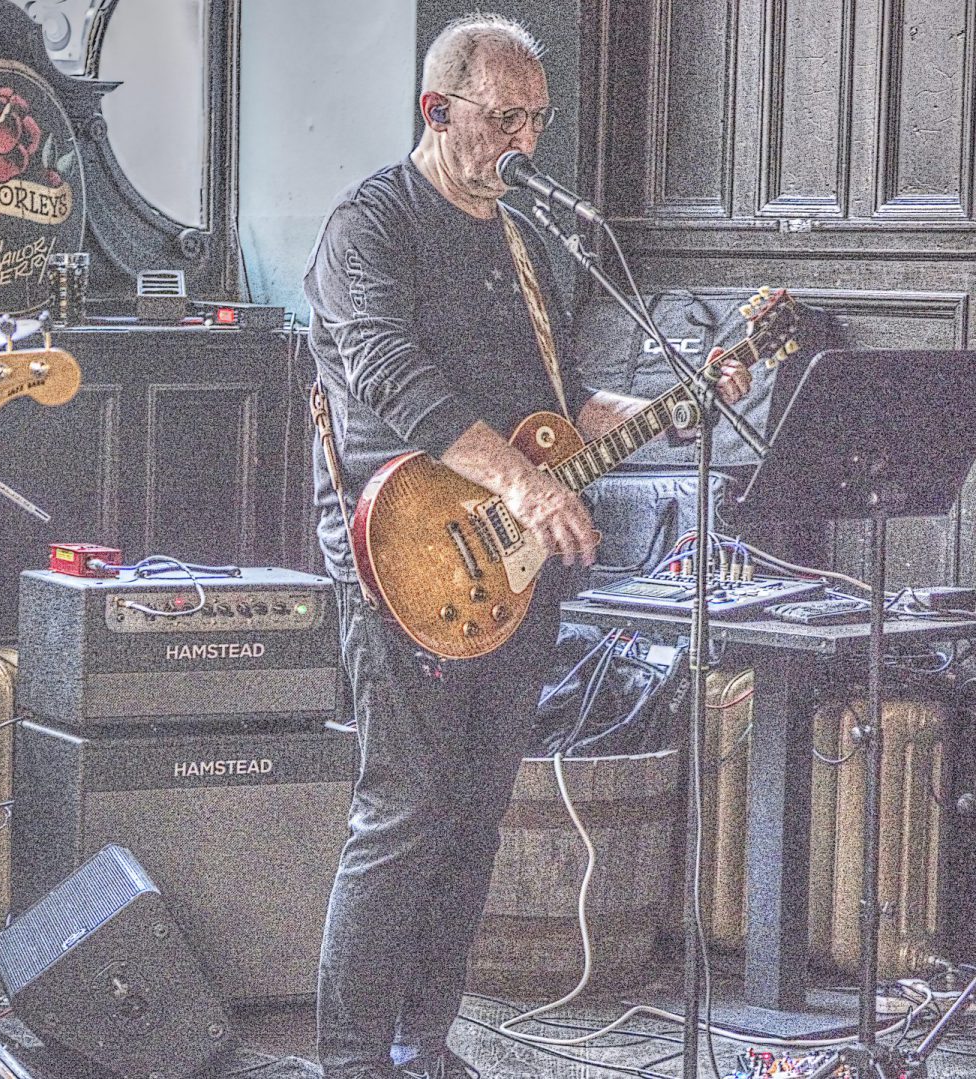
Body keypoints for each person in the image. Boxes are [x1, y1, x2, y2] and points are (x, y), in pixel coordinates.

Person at [303, 16, 751, 1079]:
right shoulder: (372, 223)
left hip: (512, 562)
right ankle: (353, 1058)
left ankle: (424, 1043)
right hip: (400, 551)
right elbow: (390, 376)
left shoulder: (526, 240)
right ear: (437, 109)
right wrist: (526, 484)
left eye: (537, 120)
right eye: (504, 117)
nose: (525, 141)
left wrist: (675, 405)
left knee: (474, 816)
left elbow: (561, 407)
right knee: (403, 810)